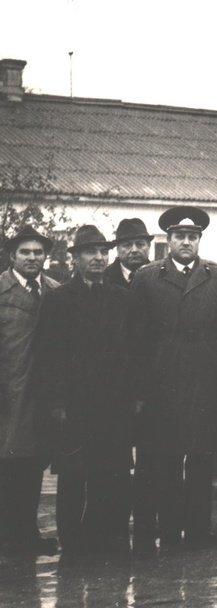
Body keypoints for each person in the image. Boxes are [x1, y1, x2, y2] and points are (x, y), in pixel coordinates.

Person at [130, 206, 217, 550]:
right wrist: (139, 386)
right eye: (179, 236)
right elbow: (135, 336)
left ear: (199, 241)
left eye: (192, 237)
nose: (186, 242)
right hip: (161, 378)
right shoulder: (147, 277)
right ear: (169, 240)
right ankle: (159, 528)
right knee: (160, 456)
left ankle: (197, 528)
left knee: (200, 456)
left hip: (204, 377)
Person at [34, 225, 134, 555]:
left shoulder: (120, 297)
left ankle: (99, 536)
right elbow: (49, 355)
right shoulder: (58, 298)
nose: (98, 258)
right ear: (74, 257)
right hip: (75, 405)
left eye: (103, 252)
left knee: (107, 473)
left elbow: (128, 351)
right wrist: (57, 402)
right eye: (90, 252)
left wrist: (129, 396)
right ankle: (73, 540)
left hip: (112, 404)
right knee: (75, 475)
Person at [0, 226, 60, 556]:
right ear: (12, 256)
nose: (32, 258)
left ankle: (28, 532)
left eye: (38, 252)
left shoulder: (54, 290)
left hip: (41, 395)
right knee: (8, 465)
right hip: (8, 392)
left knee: (34, 462)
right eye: (25, 252)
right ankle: (7, 535)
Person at [104, 218, 154, 288]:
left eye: (140, 244)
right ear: (117, 249)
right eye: (127, 245)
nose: (134, 250)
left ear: (149, 246)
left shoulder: (160, 276)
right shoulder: (104, 278)